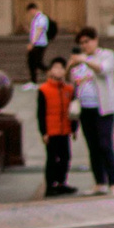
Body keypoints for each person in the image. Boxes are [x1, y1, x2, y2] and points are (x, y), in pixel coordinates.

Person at [69, 27, 114, 196]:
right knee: (92, 146)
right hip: (85, 109)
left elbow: (102, 69)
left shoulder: (107, 55)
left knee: (105, 144)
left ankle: (113, 182)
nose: (85, 45)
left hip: (103, 108)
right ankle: (100, 182)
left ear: (95, 40)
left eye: (87, 41)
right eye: (82, 43)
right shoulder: (80, 62)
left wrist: (84, 60)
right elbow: (72, 81)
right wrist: (70, 66)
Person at [37, 54, 76, 197]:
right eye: (56, 68)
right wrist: (44, 132)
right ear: (50, 71)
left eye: (61, 68)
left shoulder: (68, 89)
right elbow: (40, 113)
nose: (59, 71)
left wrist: (74, 128)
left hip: (64, 129)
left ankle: (61, 182)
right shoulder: (44, 89)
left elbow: (73, 110)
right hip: (52, 129)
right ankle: (50, 185)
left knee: (65, 157)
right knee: (52, 159)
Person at [23, 0, 51, 81]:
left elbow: (39, 30)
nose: (30, 13)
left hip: (40, 44)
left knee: (38, 62)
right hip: (35, 43)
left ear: (33, 9)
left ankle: (50, 72)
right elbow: (34, 31)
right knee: (31, 62)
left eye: (30, 11)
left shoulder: (42, 18)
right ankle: (33, 81)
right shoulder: (35, 19)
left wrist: (32, 43)